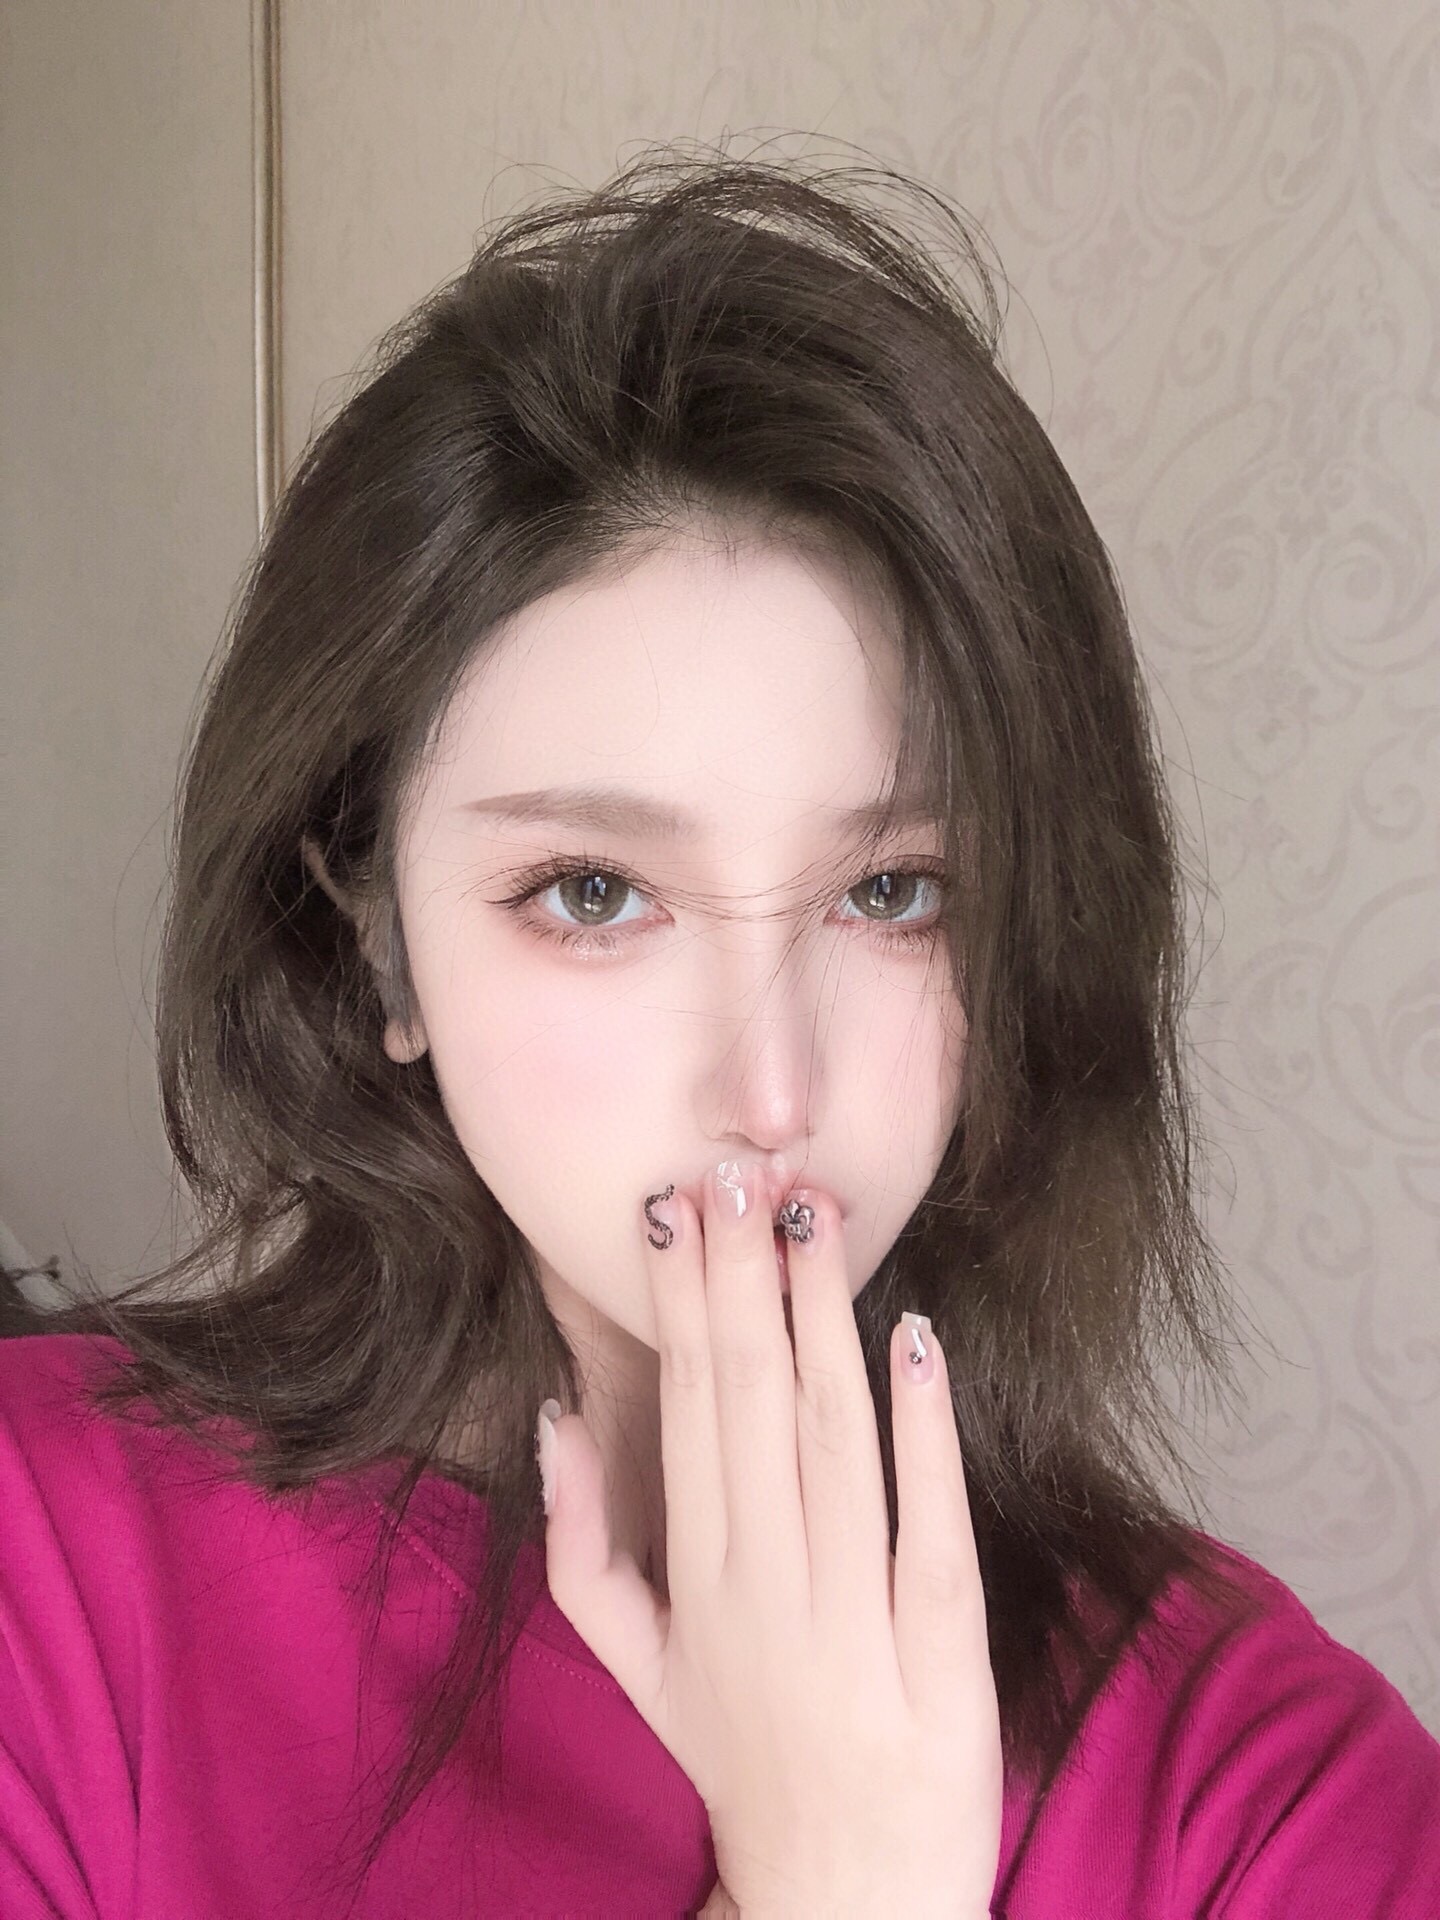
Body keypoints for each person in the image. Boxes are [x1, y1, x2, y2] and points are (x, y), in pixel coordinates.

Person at [2, 146, 1436, 1919]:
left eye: (895, 892)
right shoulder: (46, 1577)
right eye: (596, 892)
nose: (771, 1093)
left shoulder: (1266, 1790)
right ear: (379, 947)